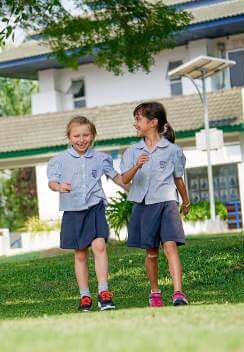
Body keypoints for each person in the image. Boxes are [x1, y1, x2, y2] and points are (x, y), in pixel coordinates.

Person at [47, 116, 128, 312]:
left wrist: (133, 189)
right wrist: (59, 186)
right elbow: (51, 182)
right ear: (69, 137)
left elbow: (116, 177)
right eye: (76, 135)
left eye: (85, 135)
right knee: (81, 253)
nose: (81, 139)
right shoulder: (59, 160)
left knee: (99, 246)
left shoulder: (101, 158)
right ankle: (85, 296)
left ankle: (103, 292)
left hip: (95, 206)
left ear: (92, 136)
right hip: (73, 210)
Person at [121, 102, 191, 307]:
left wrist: (186, 201)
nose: (135, 123)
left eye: (138, 119)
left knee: (171, 247)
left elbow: (178, 178)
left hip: (167, 203)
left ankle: (178, 292)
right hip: (144, 205)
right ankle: (155, 292)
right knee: (151, 253)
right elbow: (125, 179)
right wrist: (137, 165)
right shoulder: (132, 151)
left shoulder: (173, 151)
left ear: (153, 123)